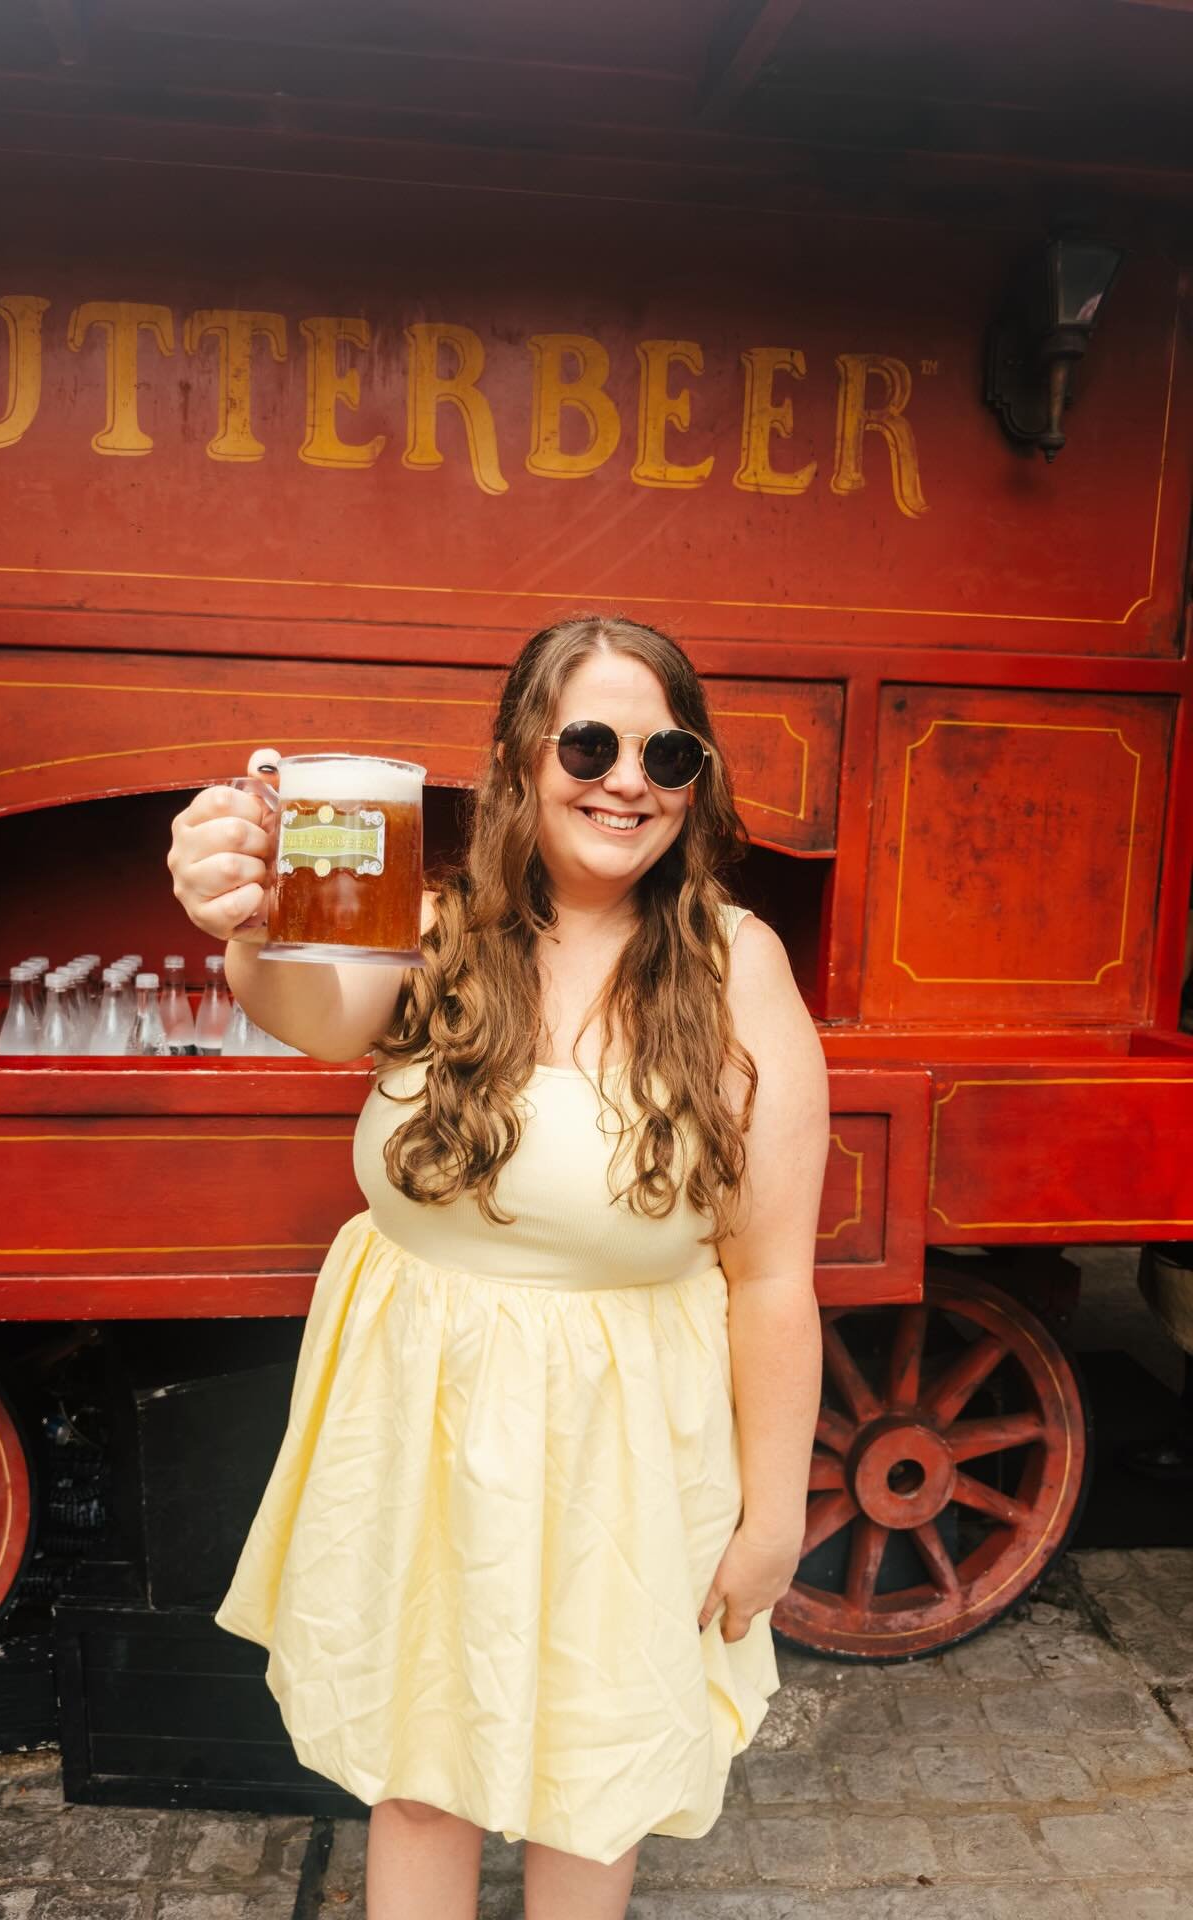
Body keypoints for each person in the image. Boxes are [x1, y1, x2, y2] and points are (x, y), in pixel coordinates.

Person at [166, 613, 829, 1920]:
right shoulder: (432, 926)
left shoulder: (737, 965)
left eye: (668, 752)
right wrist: (242, 919)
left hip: (625, 1435)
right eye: (588, 740)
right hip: (417, 1414)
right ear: (522, 758)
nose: (626, 776)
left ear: (697, 786)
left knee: (595, 1768)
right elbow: (313, 1011)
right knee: (422, 1764)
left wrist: (774, 1515)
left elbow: (771, 1276)